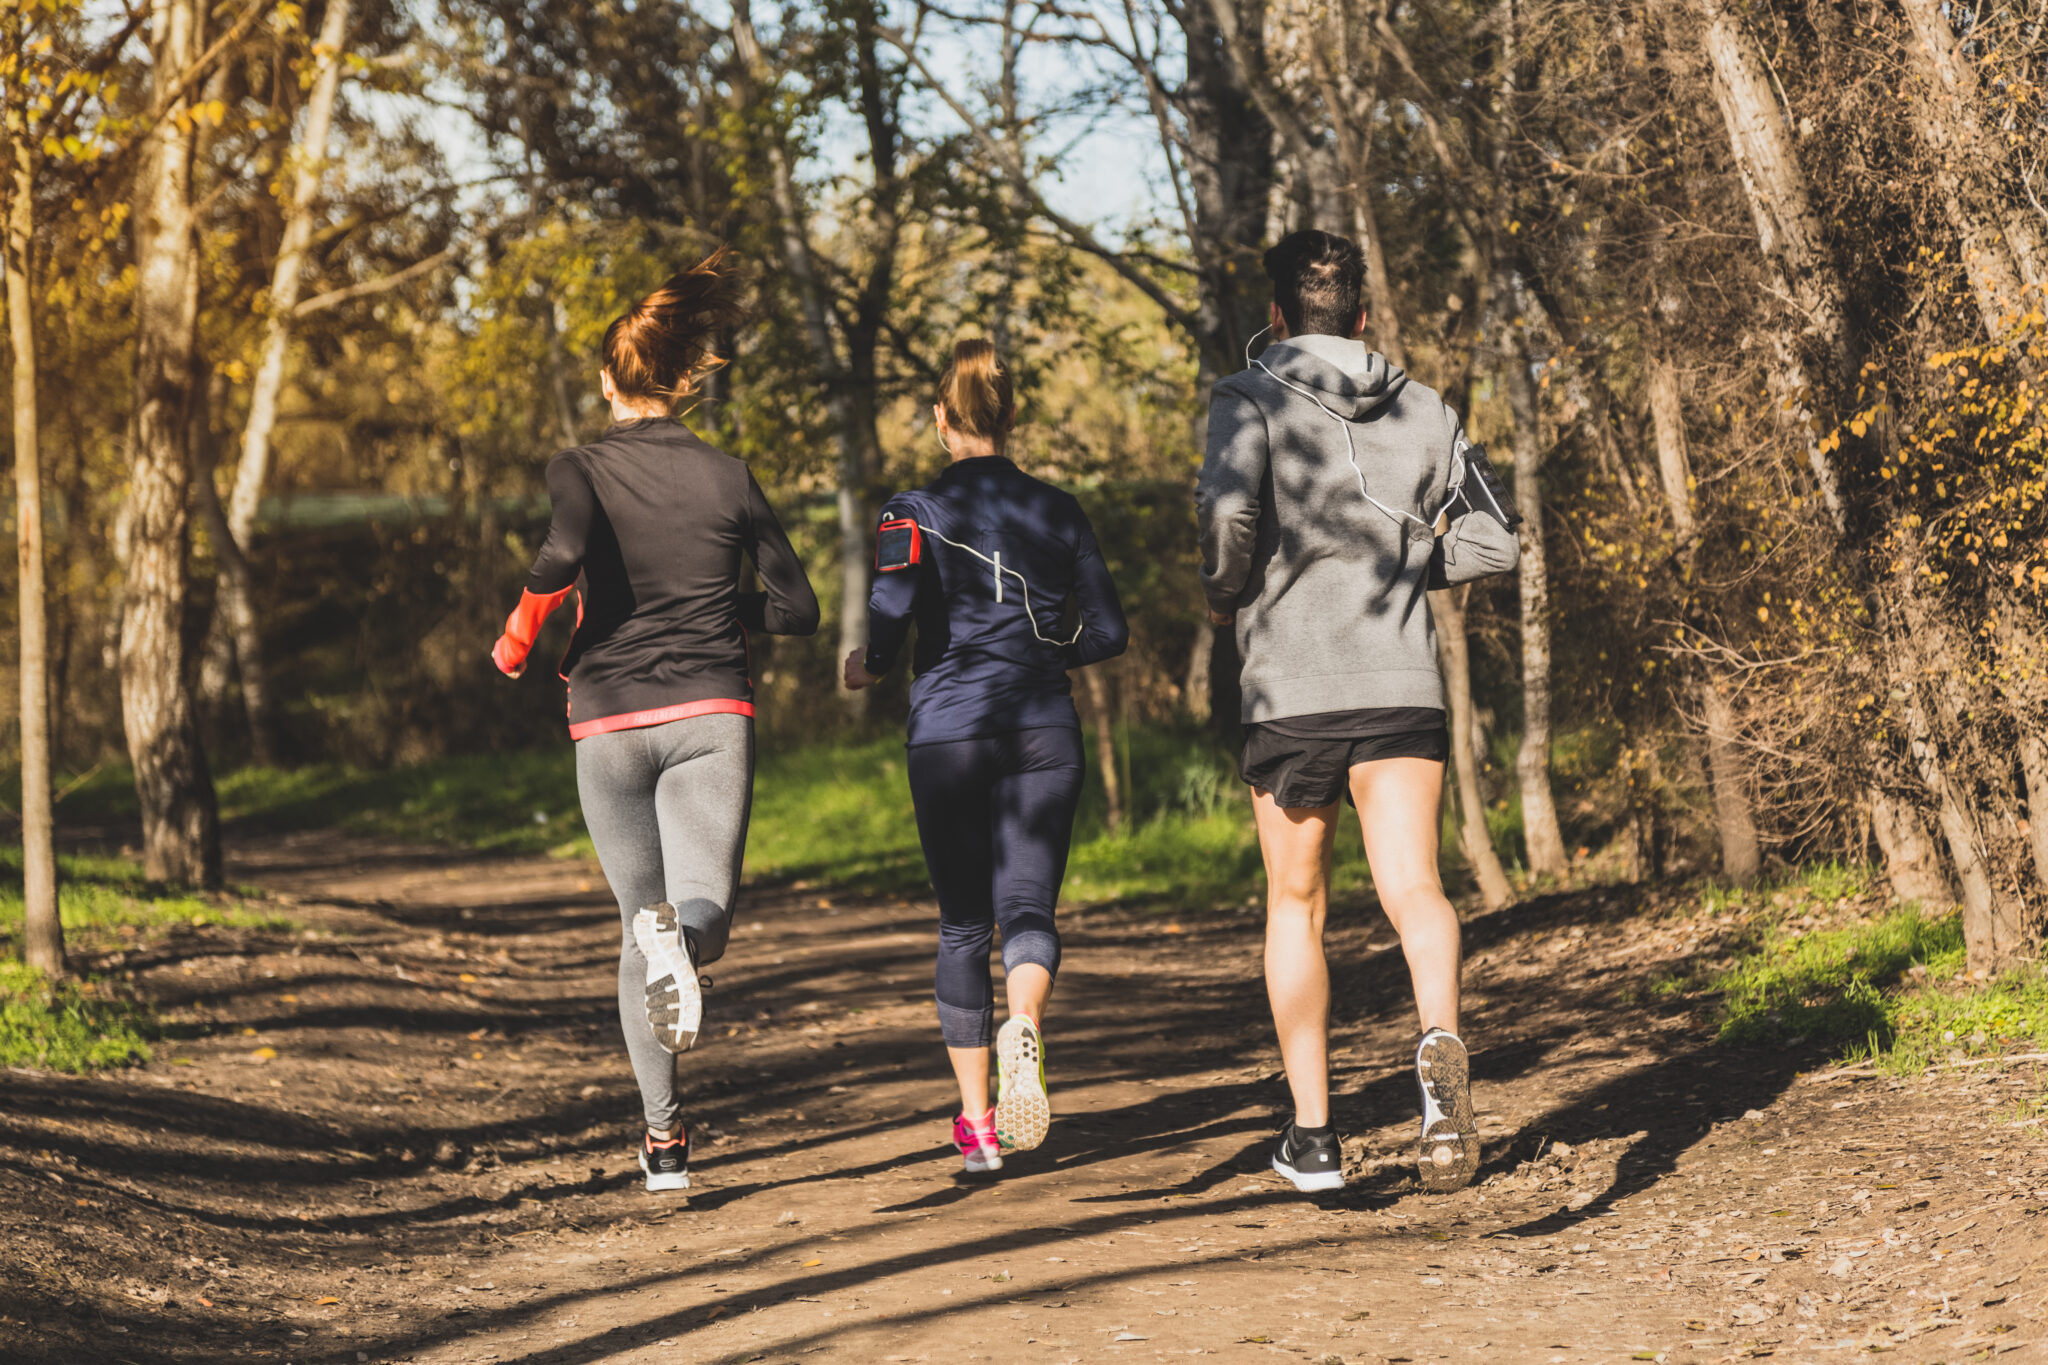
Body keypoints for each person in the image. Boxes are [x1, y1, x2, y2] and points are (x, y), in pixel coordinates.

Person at [1196, 229, 1522, 1195]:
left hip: (1293, 689)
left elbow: (1228, 519)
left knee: (1296, 903)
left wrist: (1225, 592)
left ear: (1277, 317)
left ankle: (1314, 1138)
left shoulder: (1247, 395)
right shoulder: (1428, 408)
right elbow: (1497, 541)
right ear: (1365, 317)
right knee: (1415, 886)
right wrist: (1406, 564)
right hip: (1400, 682)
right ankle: (1440, 1069)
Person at [491, 252, 820, 1194]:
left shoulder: (580, 468)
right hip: (711, 712)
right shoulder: (729, 475)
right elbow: (797, 610)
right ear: (684, 382)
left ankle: (664, 1141)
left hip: (607, 720)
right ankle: (690, 946)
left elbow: (562, 553)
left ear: (608, 380)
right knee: (697, 911)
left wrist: (516, 637)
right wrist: (721, 610)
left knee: (639, 929)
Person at [844, 339, 1128, 1176]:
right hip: (1044, 728)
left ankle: (979, 1127)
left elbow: (892, 609)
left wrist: (871, 664)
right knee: (1029, 908)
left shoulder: (911, 511)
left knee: (964, 923)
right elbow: (1109, 631)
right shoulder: (1060, 509)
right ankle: (1025, 1024)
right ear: (1012, 416)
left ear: (941, 419)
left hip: (950, 734)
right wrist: (1045, 651)